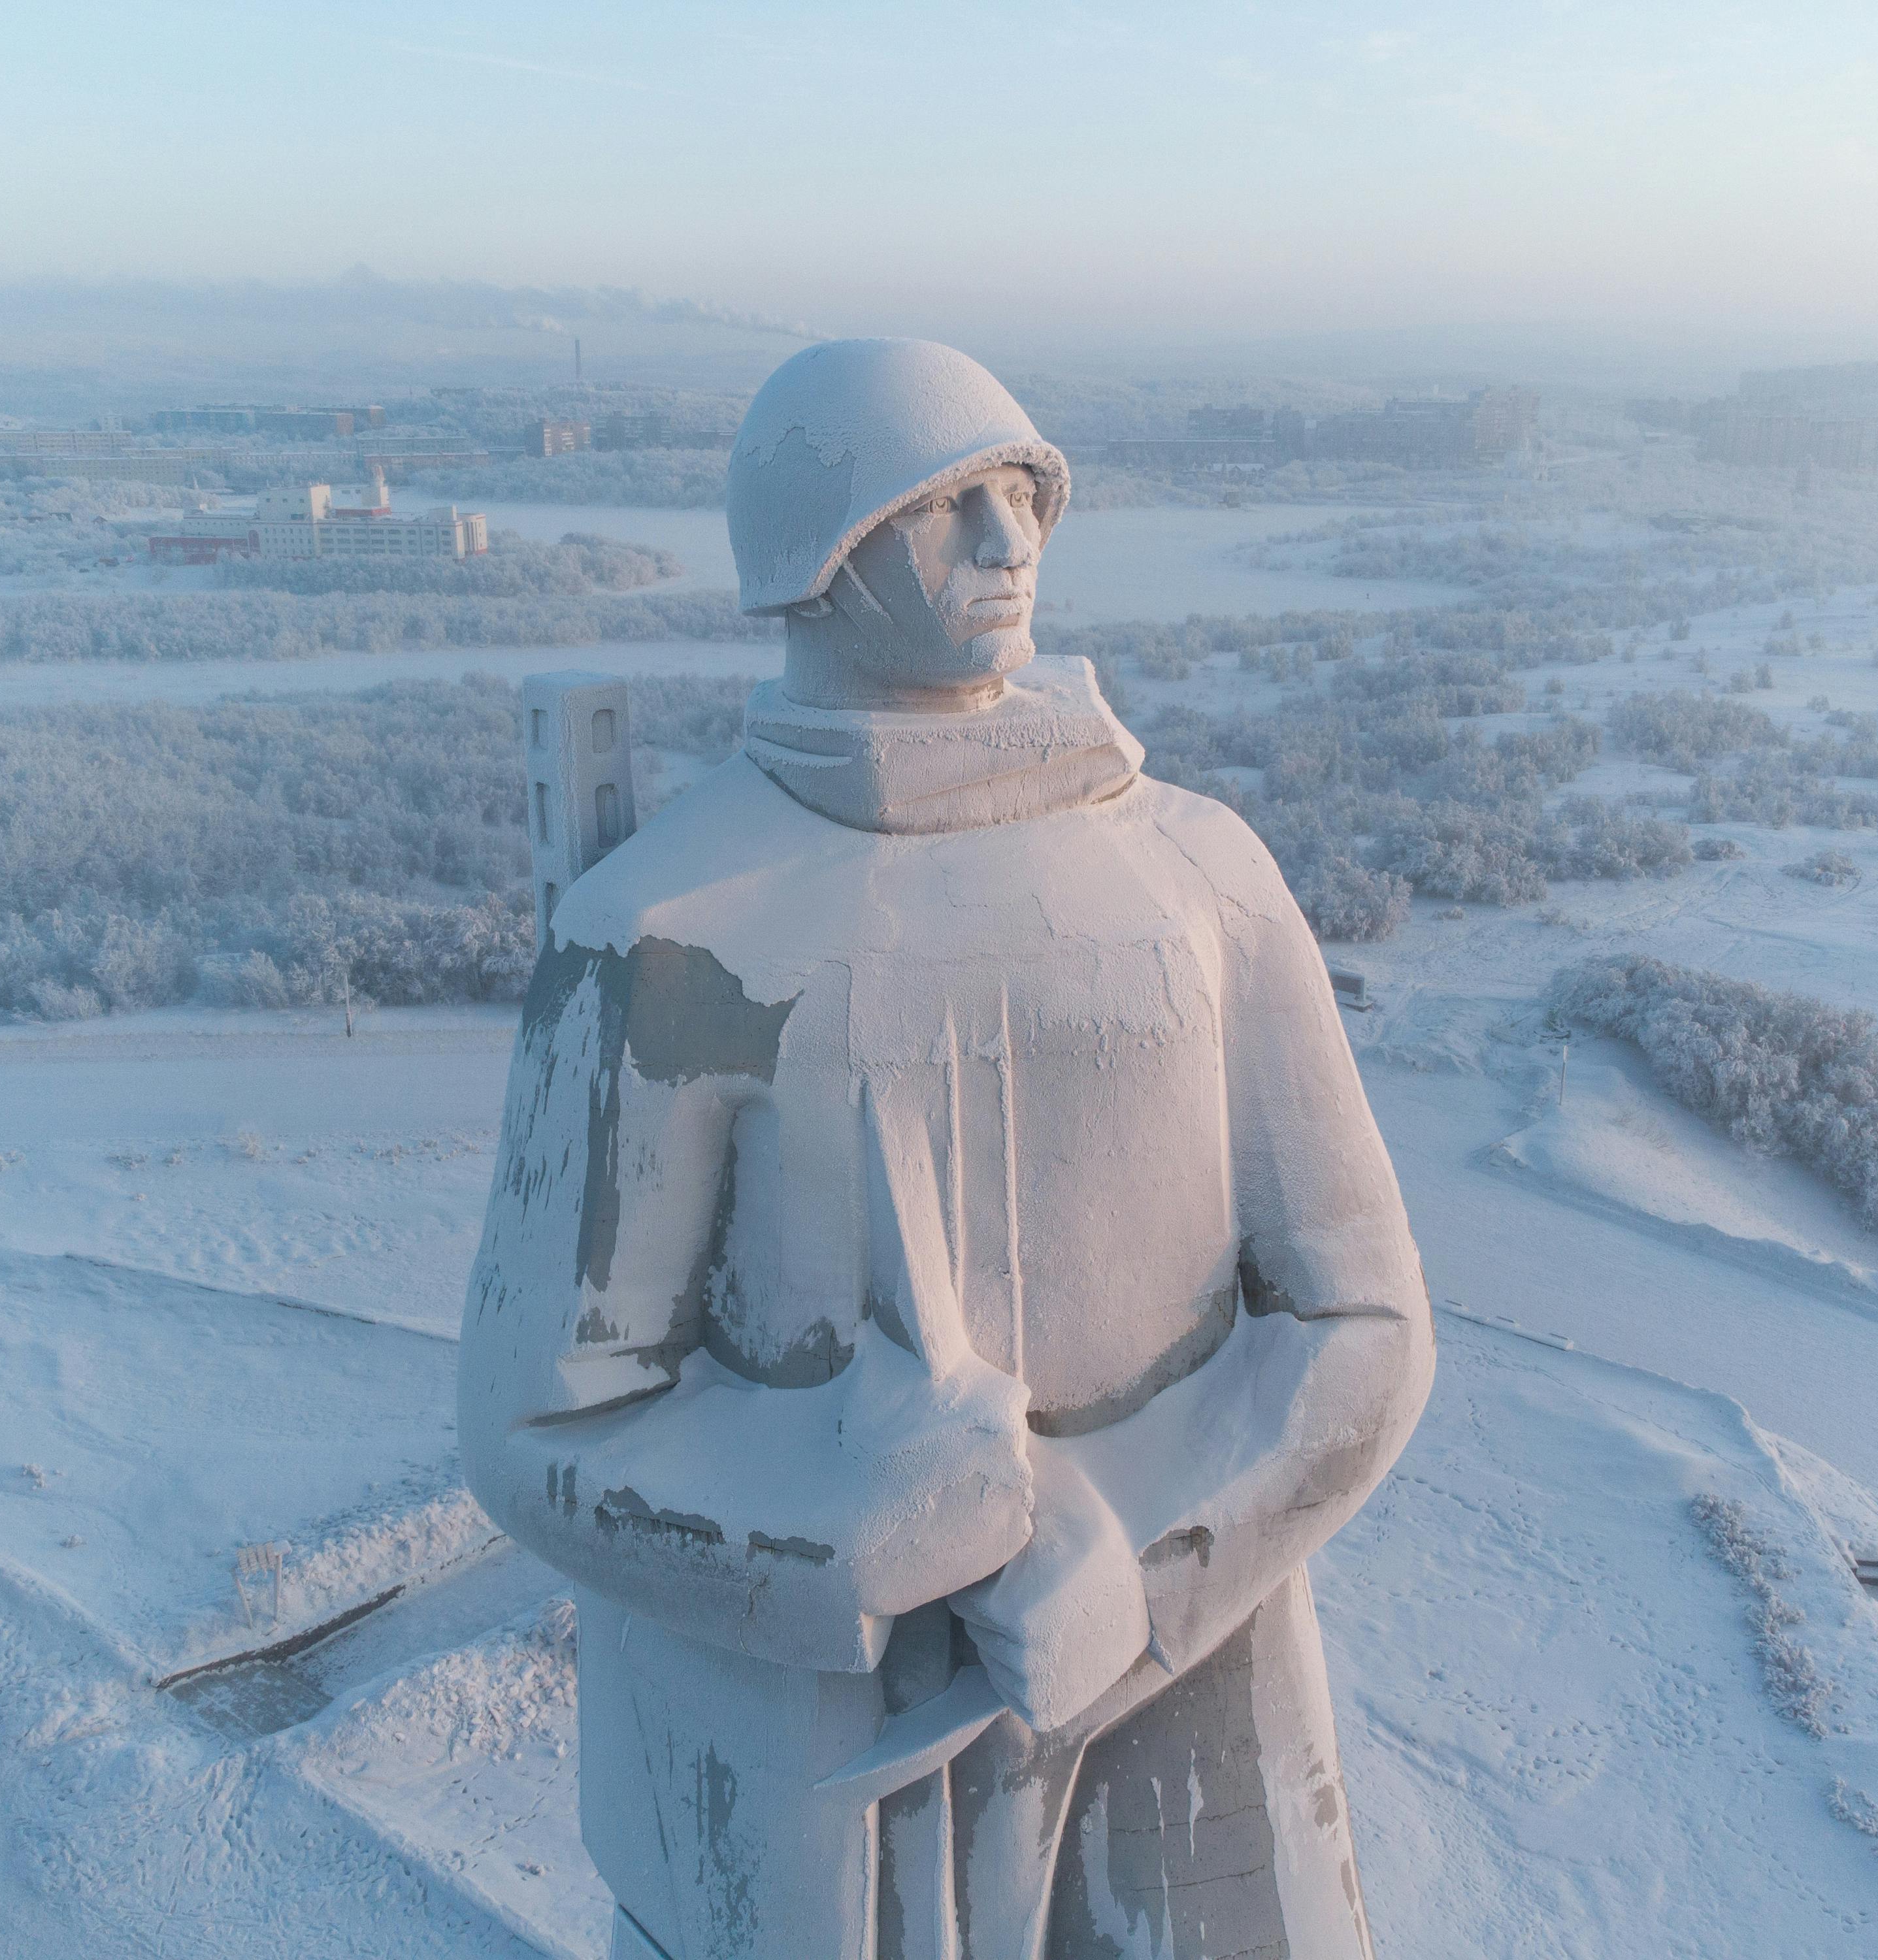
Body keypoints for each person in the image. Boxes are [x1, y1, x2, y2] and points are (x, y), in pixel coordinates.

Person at [459, 338, 1434, 1959]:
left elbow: (1363, 1320)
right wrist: (846, 1533)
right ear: (813, 557)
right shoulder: (666, 933)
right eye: (944, 504)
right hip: (799, 1789)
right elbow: (539, 1424)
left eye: (1021, 492)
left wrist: (1154, 1565)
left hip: (1192, 1752)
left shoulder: (1201, 877)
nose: (1009, 542)